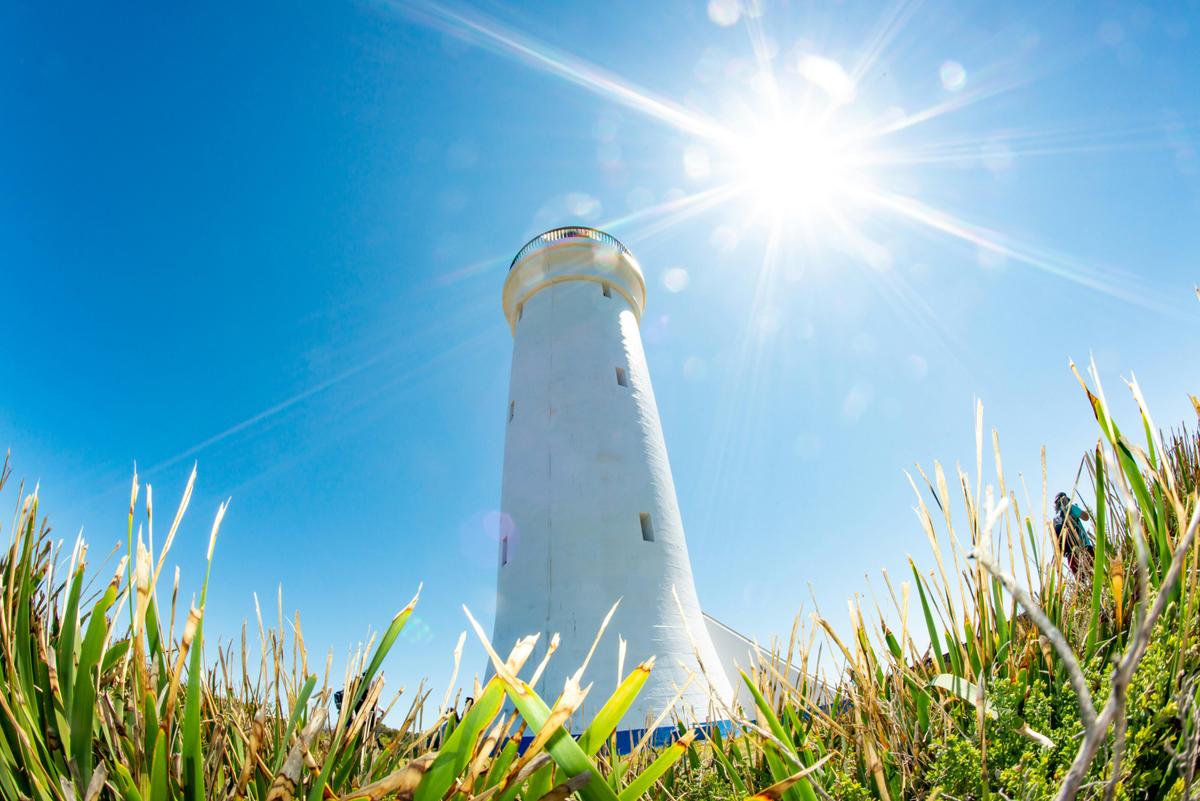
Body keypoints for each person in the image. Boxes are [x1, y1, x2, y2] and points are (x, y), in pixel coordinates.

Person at [1053, 492, 1094, 576]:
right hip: (1084, 547)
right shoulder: (1071, 507)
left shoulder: (1055, 519)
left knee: (1081, 580)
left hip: (1070, 555)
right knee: (1094, 573)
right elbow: (1086, 517)